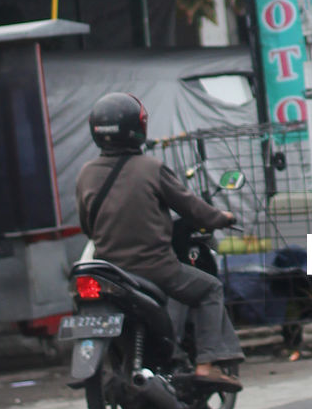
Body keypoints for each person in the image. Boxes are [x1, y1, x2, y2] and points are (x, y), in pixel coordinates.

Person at [75, 92, 242, 390]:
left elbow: (88, 226)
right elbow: (192, 208)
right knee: (210, 289)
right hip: (156, 269)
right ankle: (207, 364)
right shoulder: (151, 169)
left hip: (110, 272)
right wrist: (222, 217)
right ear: (139, 128)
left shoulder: (85, 175)